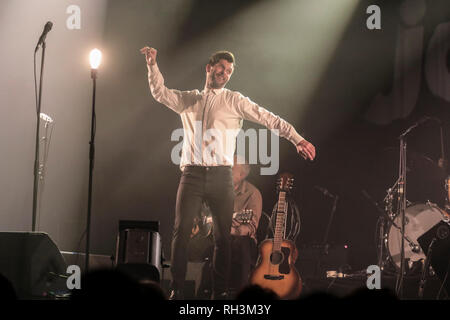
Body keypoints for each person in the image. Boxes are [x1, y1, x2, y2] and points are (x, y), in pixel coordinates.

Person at [140, 47, 316, 300]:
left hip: (222, 176)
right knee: (181, 232)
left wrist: (297, 139)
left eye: (229, 71)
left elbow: (268, 118)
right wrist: (152, 65)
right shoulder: (189, 99)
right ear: (209, 68)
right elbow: (160, 93)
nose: (225, 73)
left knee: (223, 237)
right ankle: (177, 288)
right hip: (191, 174)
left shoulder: (234, 100)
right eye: (221, 67)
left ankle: (220, 291)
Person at [196, 156, 263, 299]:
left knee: (240, 243)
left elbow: (250, 227)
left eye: (231, 169)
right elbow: (202, 214)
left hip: (242, 240)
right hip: (215, 236)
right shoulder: (215, 190)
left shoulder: (252, 193)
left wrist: (229, 229)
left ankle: (241, 296)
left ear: (242, 175)